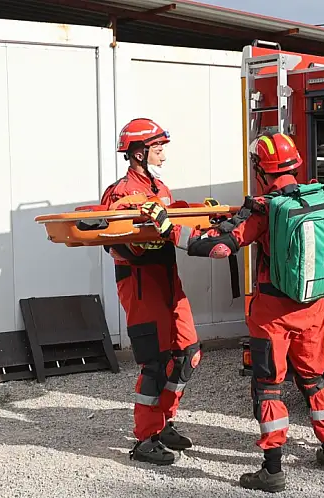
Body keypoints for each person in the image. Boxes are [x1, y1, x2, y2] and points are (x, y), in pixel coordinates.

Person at [140, 131, 324, 493]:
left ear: (261, 170)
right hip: (313, 308)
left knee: (269, 388)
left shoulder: (263, 208)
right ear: (295, 165)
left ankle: (272, 471)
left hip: (272, 316)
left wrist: (168, 228)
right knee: (314, 381)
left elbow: (218, 247)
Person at [101, 118, 201, 465]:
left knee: (188, 352)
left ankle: (163, 421)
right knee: (154, 363)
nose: (163, 155)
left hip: (169, 279)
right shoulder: (120, 193)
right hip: (140, 282)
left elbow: (172, 222)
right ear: (139, 153)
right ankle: (145, 439)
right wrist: (145, 240)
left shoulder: (161, 189)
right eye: (158, 148)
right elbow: (112, 242)